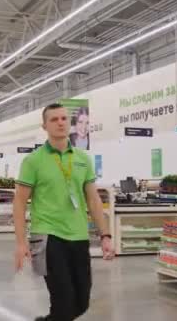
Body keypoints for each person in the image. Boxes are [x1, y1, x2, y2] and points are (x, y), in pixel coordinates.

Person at [14, 103, 114, 321]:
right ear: (44, 126)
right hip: (48, 237)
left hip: (78, 236)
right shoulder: (33, 161)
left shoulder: (82, 158)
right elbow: (19, 202)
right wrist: (21, 242)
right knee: (64, 302)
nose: (60, 122)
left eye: (63, 119)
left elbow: (93, 199)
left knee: (81, 302)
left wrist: (105, 235)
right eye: (54, 119)